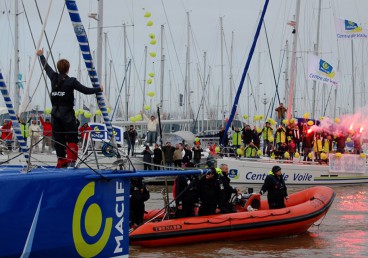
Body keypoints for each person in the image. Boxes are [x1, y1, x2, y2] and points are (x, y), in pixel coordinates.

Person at [37, 48, 103, 168]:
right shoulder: (71, 81)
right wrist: (99, 89)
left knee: (58, 138)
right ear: (68, 69)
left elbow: (46, 68)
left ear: (58, 68)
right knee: (72, 136)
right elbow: (85, 90)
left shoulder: (53, 77)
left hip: (55, 114)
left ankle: (61, 160)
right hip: (67, 114)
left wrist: (41, 56)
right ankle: (71, 161)